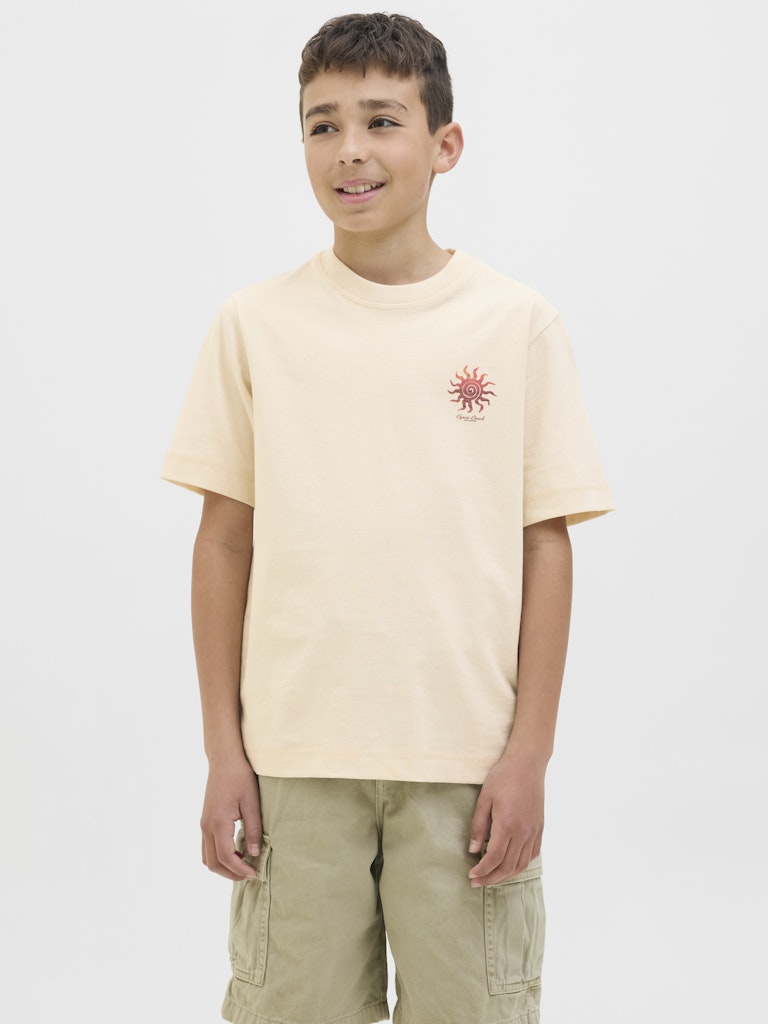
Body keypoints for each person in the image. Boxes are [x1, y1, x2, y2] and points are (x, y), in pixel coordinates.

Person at [161, 11, 614, 1024]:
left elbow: (546, 545)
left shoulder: (516, 324)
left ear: (445, 145)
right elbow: (223, 541)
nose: (349, 150)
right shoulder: (254, 326)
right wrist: (224, 750)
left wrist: (530, 754)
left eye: (380, 120)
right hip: (294, 762)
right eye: (322, 125)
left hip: (465, 766)